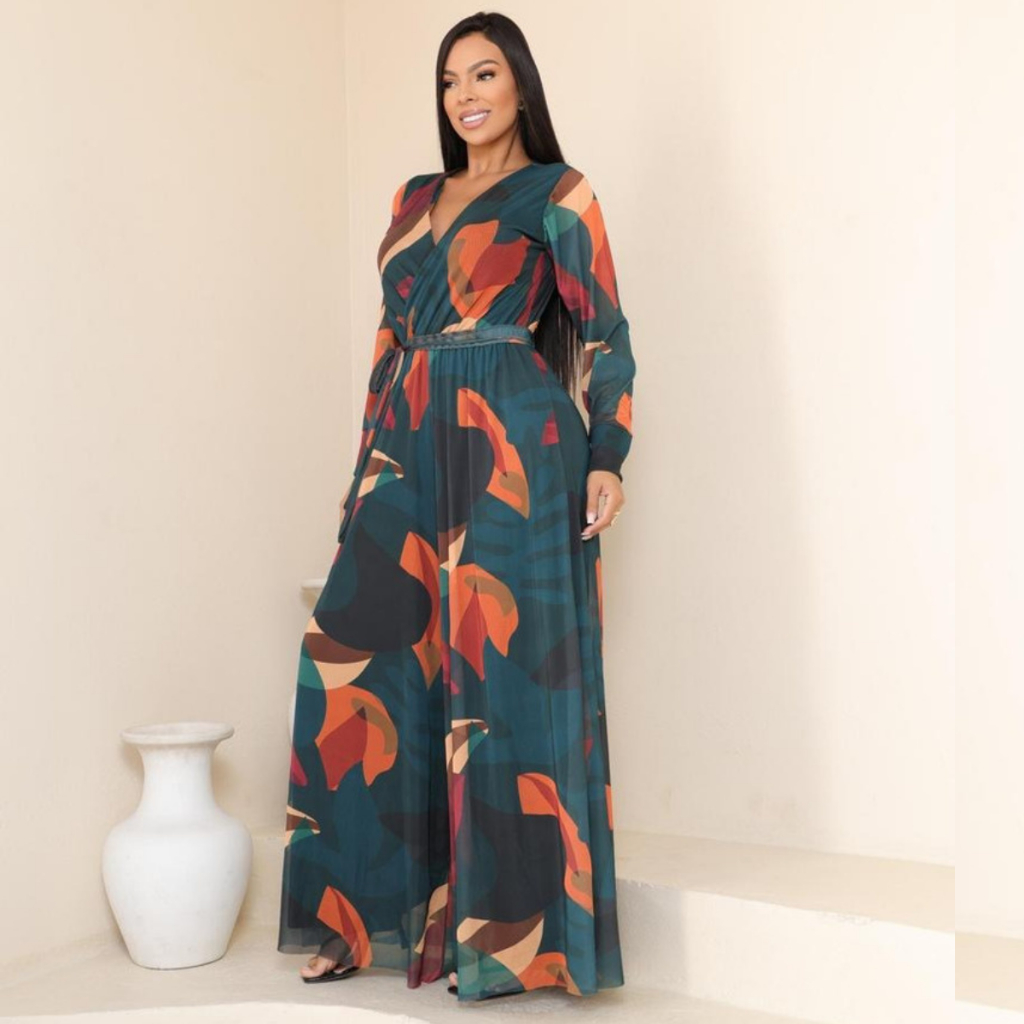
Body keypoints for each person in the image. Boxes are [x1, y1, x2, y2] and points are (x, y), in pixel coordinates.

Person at [277, 10, 636, 1004]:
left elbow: (605, 333)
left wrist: (608, 456)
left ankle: (510, 945)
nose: (465, 96)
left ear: (519, 85)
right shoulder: (412, 197)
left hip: (514, 442)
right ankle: (357, 924)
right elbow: (387, 346)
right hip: (407, 440)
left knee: (503, 680)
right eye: (449, 80)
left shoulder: (557, 193)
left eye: (483, 75)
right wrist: (364, 471)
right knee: (351, 660)